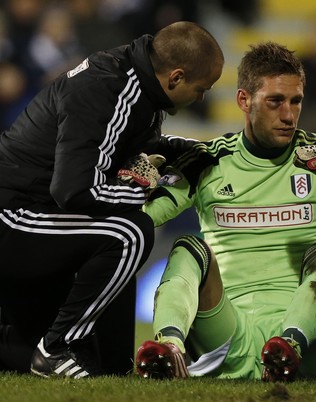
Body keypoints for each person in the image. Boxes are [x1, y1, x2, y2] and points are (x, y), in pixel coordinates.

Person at [134, 41, 316, 382]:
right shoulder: (209, 161)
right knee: (187, 248)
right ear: (244, 100)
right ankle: (169, 349)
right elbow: (141, 222)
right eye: (275, 102)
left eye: (295, 101)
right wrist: (133, 187)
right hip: (230, 334)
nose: (288, 115)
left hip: (312, 345)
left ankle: (290, 345)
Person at [0, 21, 224, 378]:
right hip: (15, 217)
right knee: (130, 232)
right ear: (176, 77)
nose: (201, 98)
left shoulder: (137, 84)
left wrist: (183, 150)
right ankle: (54, 349)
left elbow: (119, 147)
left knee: (108, 365)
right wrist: (140, 188)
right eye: (202, 89)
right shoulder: (112, 89)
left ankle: (40, 345)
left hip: (40, 214)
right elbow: (74, 190)